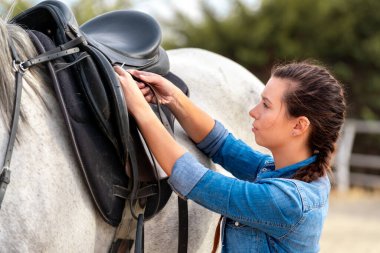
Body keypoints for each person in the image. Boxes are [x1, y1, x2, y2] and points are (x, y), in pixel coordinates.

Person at [113, 61, 346, 253]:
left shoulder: (288, 201)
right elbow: (221, 144)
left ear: (299, 125)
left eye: (266, 105)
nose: (253, 111)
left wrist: (138, 107)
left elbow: (194, 179)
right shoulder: (296, 173)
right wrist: (172, 96)